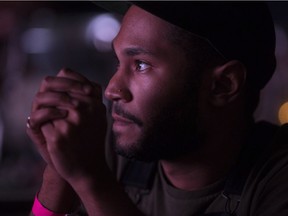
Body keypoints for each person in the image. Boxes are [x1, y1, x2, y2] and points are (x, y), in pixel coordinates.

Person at [26, 2, 288, 216]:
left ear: (222, 85)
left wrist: (90, 179)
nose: (111, 90)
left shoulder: (276, 177)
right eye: (119, 63)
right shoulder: (110, 146)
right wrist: (58, 170)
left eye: (141, 65)